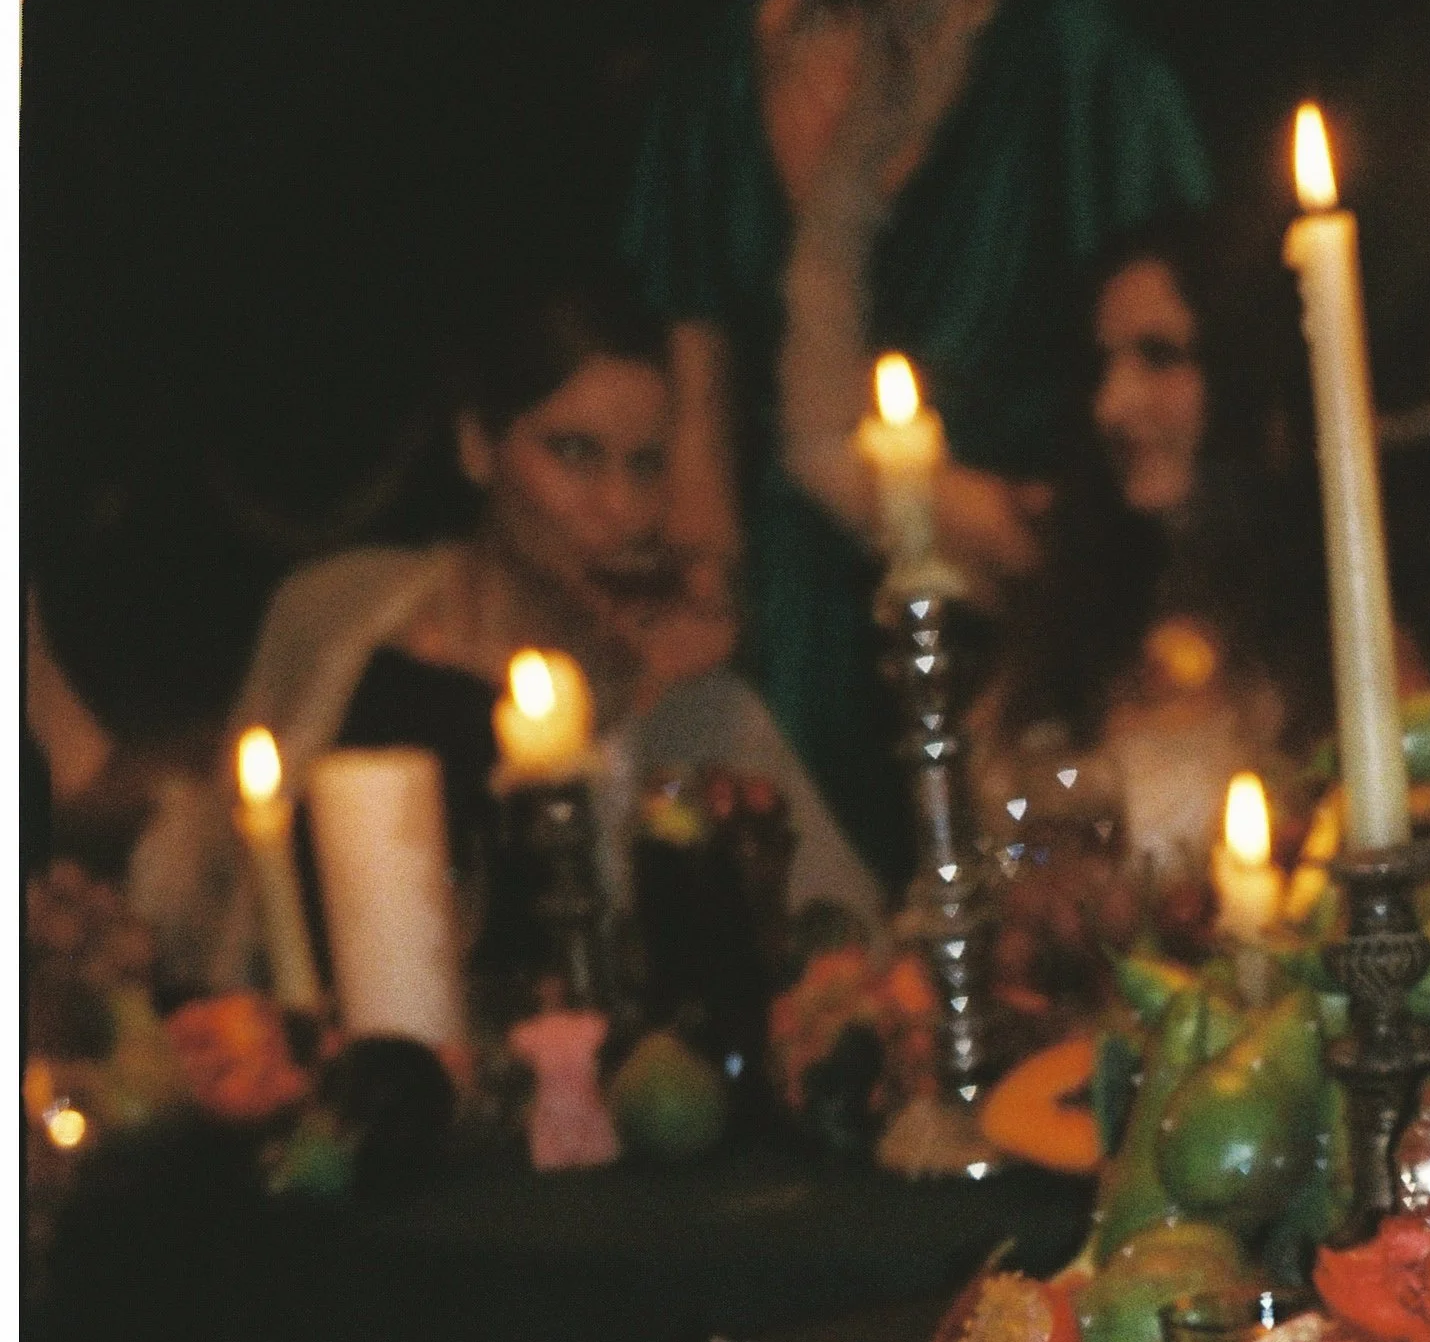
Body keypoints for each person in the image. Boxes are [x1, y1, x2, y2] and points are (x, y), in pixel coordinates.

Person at [622, 0, 1213, 889]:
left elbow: (1183, 322)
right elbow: (699, 408)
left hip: (1016, 590)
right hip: (791, 621)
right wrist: (706, 607)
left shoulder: (1064, 41)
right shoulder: (716, 75)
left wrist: (1058, 559)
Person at [138, 277, 878, 994]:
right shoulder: (339, 614)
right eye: (574, 452)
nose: (620, 508)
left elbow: (841, 947)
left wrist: (637, 709)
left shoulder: (687, 697)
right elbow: (221, 906)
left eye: (646, 466)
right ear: (478, 445)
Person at [976, 210, 1332, 868]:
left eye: (1160, 356)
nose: (1111, 404)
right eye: (1102, 366)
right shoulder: (1062, 572)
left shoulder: (1339, 615)